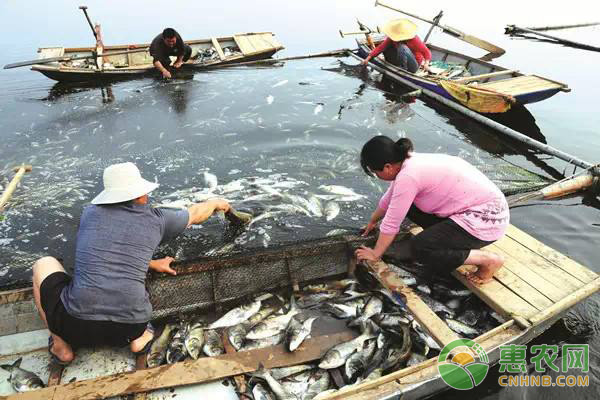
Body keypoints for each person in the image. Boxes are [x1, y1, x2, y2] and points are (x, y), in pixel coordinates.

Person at [32, 162, 230, 364]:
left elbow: (109, 250)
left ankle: (61, 346)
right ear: (138, 195)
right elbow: (196, 214)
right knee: (135, 317)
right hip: (129, 328)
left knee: (43, 263)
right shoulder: (156, 220)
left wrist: (150, 263)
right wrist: (215, 203)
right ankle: (140, 340)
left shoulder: (89, 214)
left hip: (74, 325)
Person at [355, 136, 509, 286]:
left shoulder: (409, 175)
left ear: (388, 167)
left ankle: (489, 261)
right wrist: (373, 221)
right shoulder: (408, 162)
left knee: (420, 247)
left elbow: (391, 223)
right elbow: (389, 199)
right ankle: (445, 242)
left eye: (376, 172)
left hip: (488, 221)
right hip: (474, 210)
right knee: (408, 206)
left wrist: (375, 254)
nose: (377, 176)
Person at [362, 19, 431, 73]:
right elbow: (381, 47)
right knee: (387, 46)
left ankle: (403, 69)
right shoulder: (392, 37)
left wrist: (426, 64)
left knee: (402, 47)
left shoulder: (414, 39)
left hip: (413, 66)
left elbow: (426, 52)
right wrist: (367, 58)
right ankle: (392, 64)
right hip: (401, 60)